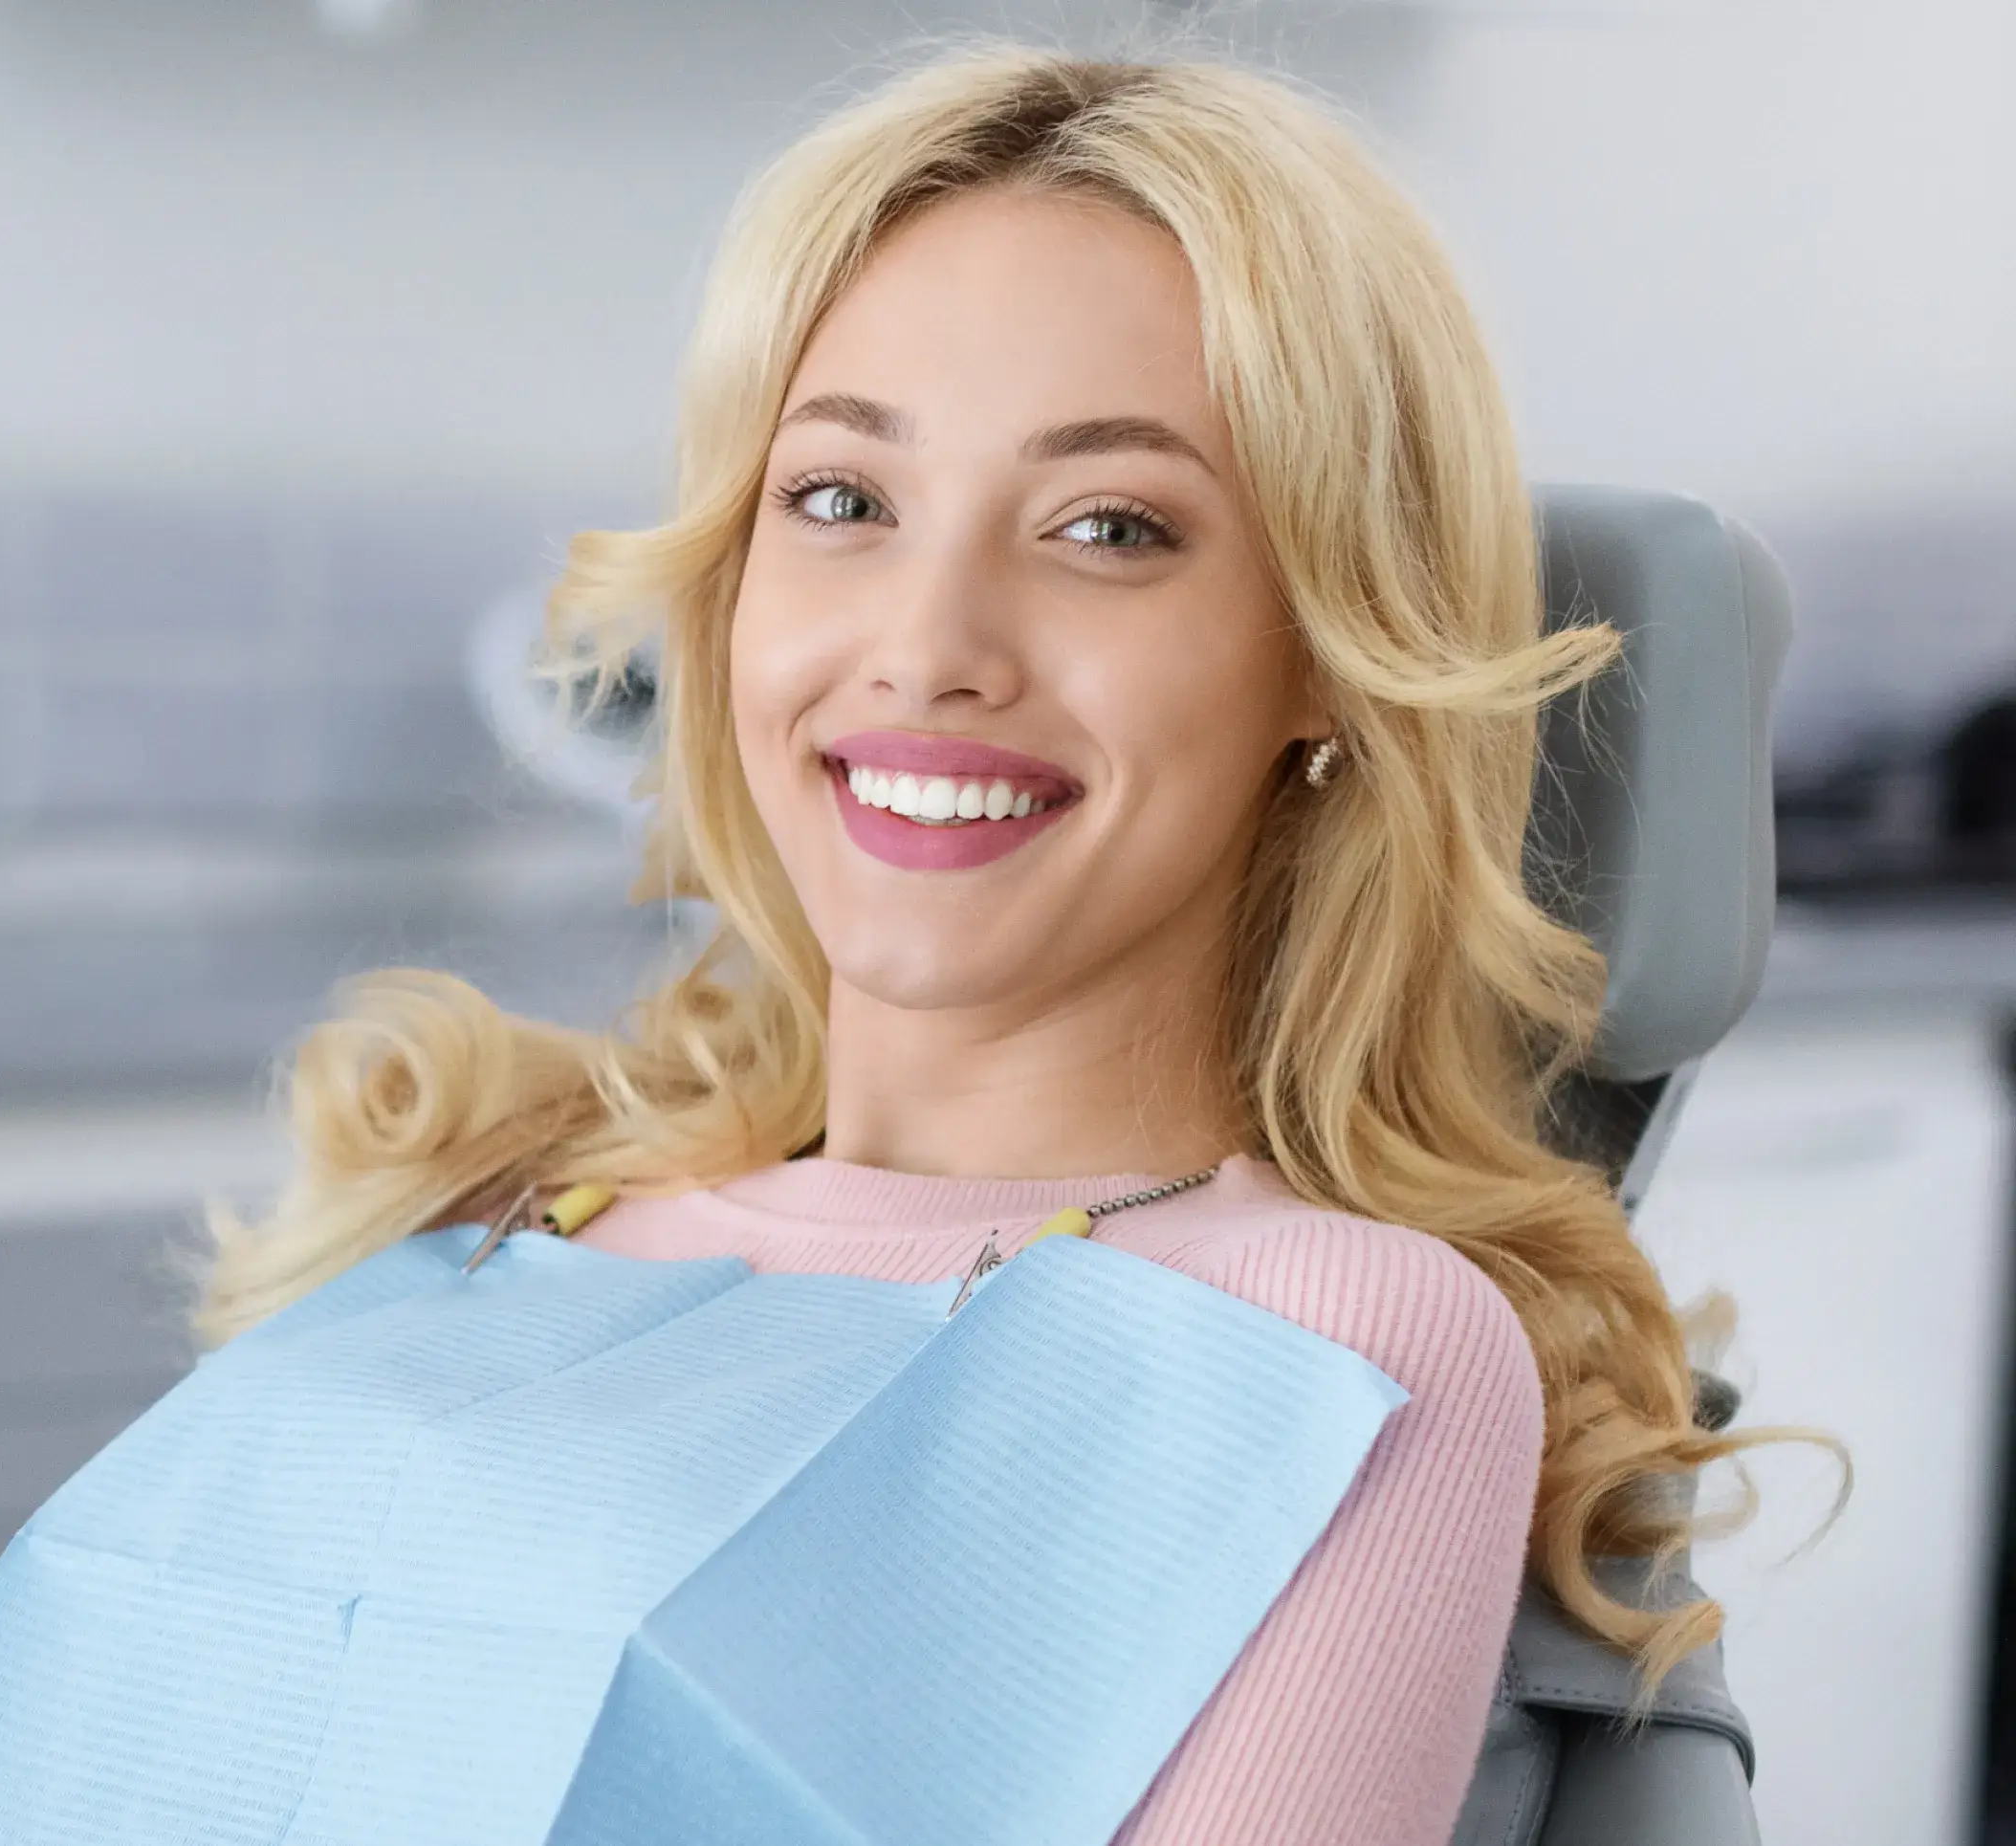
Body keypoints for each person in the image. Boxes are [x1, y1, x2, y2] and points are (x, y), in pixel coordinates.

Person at [196, 45, 1756, 1845]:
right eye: (842, 501)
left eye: (1110, 528)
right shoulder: (477, 1215)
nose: (930, 643)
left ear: (1329, 646)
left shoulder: (1330, 1348)